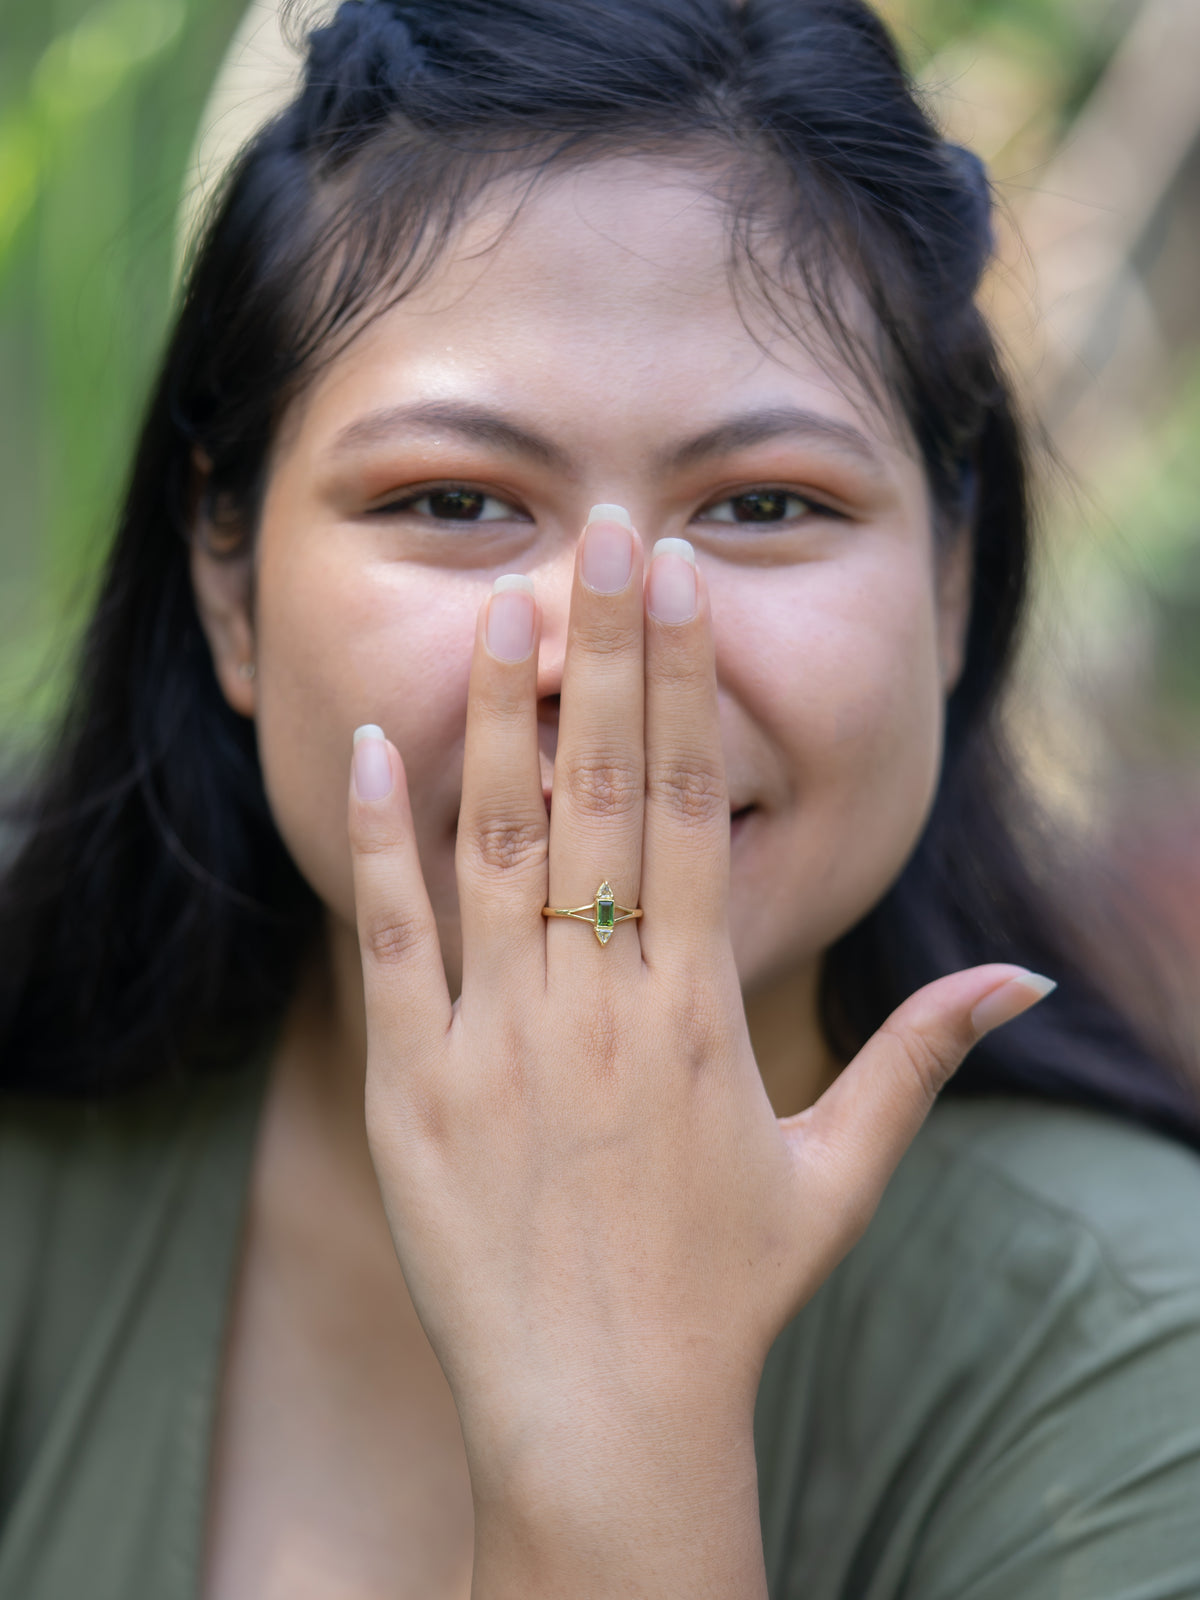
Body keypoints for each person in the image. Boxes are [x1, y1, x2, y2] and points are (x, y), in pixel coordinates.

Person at [2, 0, 1199, 1595]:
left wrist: (619, 1433)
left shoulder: (1139, 1346)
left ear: (954, 584)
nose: (609, 648)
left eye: (767, 504)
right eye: (454, 499)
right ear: (228, 582)